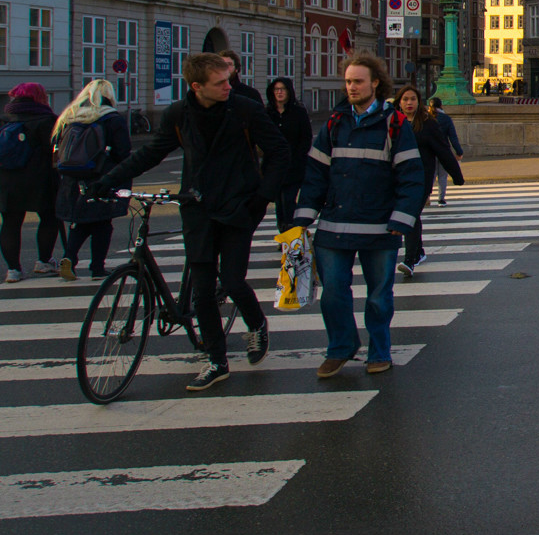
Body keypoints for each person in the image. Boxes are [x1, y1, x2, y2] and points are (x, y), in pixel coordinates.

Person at [89, 53, 288, 391]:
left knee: (233, 280)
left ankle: (256, 324)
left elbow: (280, 153)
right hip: (197, 207)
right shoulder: (179, 115)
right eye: (221, 82)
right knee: (202, 290)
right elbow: (150, 153)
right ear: (197, 87)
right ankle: (216, 361)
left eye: (228, 79)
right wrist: (108, 179)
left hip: (239, 205)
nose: (229, 85)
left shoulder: (244, 109)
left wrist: (261, 198)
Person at [295, 55, 424, 377]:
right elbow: (315, 173)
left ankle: (379, 351)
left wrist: (401, 220)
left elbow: (411, 176)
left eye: (358, 82)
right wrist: (303, 217)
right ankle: (340, 347)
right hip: (335, 223)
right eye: (348, 81)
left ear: (375, 83)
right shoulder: (335, 123)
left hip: (380, 226)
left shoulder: (394, 124)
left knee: (379, 297)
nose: (351, 87)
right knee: (333, 294)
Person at [53, 79, 132, 281]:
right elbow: (123, 152)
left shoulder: (70, 116)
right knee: (103, 223)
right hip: (102, 177)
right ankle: (97, 267)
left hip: (72, 177)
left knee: (81, 221)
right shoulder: (112, 118)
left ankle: (69, 257)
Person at [393, 85, 463, 280]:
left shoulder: (427, 124)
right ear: (399, 102)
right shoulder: (393, 123)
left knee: (410, 215)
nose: (409, 103)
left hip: (421, 178)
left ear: (419, 102)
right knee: (412, 215)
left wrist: (456, 176)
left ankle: (409, 260)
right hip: (400, 178)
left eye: (412, 99)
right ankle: (420, 251)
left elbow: (442, 150)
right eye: (405, 99)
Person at [0, 83, 62, 282]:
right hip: (40, 179)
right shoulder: (47, 119)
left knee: (10, 223)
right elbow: (55, 152)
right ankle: (44, 262)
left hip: (6, 179)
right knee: (49, 218)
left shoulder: (4, 119)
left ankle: (13, 270)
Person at [265, 77, 312, 229]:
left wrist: (298, 158)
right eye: (276, 89)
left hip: (294, 165)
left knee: (289, 200)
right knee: (279, 203)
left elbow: (306, 138)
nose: (279, 92)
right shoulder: (268, 112)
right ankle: (283, 233)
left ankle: (292, 235)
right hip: (274, 166)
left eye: (282, 89)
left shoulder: (298, 112)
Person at [425, 97, 463, 205]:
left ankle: (426, 196)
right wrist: (459, 152)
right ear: (441, 106)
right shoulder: (446, 119)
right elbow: (453, 138)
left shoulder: (426, 119)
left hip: (430, 152)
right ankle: (441, 199)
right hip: (443, 151)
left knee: (430, 175)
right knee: (442, 176)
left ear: (429, 107)